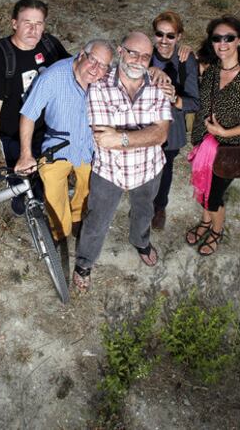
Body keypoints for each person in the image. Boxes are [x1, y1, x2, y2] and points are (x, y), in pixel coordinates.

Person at [73, 32, 172, 292]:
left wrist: (122, 138)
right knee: (97, 220)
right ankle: (84, 262)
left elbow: (161, 134)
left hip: (149, 169)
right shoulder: (99, 83)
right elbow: (103, 138)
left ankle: (140, 241)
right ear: (120, 50)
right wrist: (142, 134)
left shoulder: (158, 85)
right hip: (109, 171)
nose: (138, 61)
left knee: (144, 211)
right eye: (132, 53)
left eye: (145, 56)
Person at [186, 15, 240, 255]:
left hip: (230, 148)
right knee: (203, 188)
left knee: (213, 196)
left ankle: (216, 230)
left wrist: (225, 131)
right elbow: (182, 63)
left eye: (229, 38)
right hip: (204, 144)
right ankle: (205, 222)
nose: (223, 43)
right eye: (217, 38)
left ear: (239, 41)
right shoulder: (210, 68)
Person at [15, 39, 114, 241]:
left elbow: (136, 75)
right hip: (56, 147)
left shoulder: (106, 80)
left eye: (103, 65)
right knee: (54, 194)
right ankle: (59, 231)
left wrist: (159, 73)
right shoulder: (53, 77)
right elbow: (28, 114)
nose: (96, 69)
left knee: (88, 186)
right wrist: (26, 154)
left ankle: (77, 216)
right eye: (93, 60)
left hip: (89, 147)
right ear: (81, 54)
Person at [0, 0, 69, 213]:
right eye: (27, 22)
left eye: (39, 23)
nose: (33, 29)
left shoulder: (50, 45)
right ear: (14, 23)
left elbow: (73, 71)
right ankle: (23, 205)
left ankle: (44, 202)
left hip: (47, 128)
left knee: (47, 177)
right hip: (14, 134)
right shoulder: (0, 58)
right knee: (22, 181)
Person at [150, 11, 199, 230]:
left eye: (170, 36)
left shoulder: (185, 60)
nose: (164, 41)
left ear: (179, 37)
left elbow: (194, 102)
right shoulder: (145, 54)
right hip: (144, 122)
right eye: (160, 34)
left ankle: (160, 206)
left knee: (166, 167)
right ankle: (143, 204)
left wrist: (174, 98)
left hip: (171, 126)